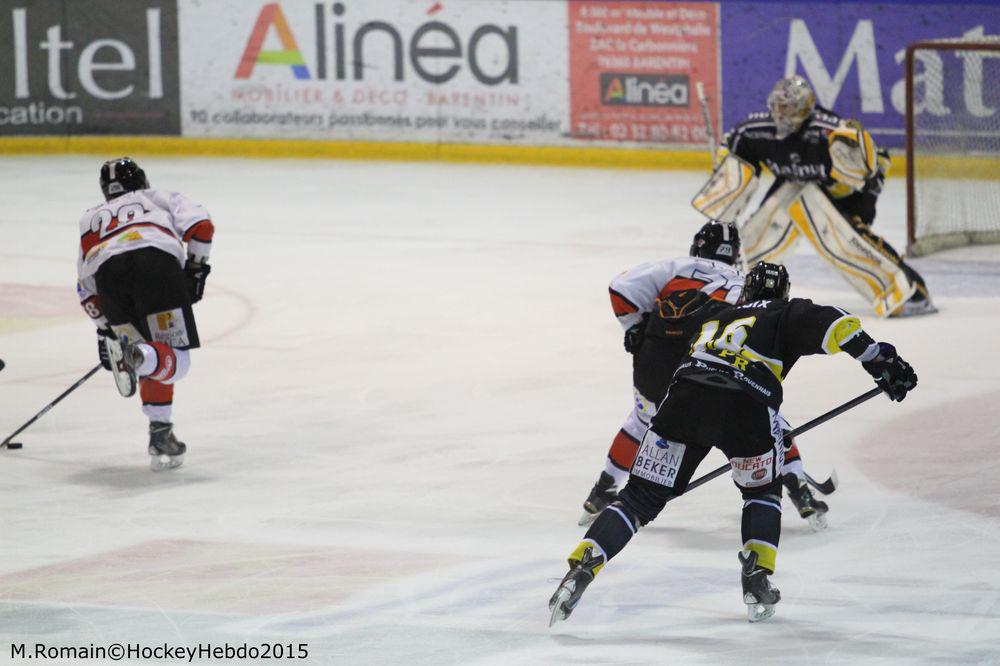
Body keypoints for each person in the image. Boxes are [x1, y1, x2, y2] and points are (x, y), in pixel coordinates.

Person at [549, 262, 917, 626]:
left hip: (683, 400)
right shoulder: (785, 311)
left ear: (746, 292)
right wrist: (881, 361)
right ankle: (756, 579)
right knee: (761, 492)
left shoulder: (715, 315)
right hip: (746, 406)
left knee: (637, 499)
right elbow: (839, 325)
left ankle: (582, 567)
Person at [580, 223, 831, 531]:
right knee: (769, 422)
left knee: (643, 418)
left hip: (656, 356)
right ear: (735, 253)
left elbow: (621, 288)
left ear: (698, 245)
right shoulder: (744, 281)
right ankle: (800, 491)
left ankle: (602, 491)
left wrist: (635, 327)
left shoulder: (677, 266)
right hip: (707, 356)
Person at [694, 75, 934, 318]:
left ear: (804, 108)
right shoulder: (758, 131)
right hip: (793, 187)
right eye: (777, 106)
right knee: (757, 236)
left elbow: (871, 166)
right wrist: (726, 167)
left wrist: (862, 206)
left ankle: (909, 291)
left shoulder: (828, 132)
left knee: (843, 243)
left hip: (837, 196)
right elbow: (738, 146)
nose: (780, 113)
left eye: (787, 107)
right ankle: (739, 289)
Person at [76, 157, 214, 471]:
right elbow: (202, 227)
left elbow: (85, 289)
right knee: (175, 362)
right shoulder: (156, 197)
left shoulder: (89, 218)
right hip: (155, 266)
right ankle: (137, 355)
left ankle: (160, 432)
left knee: (155, 357)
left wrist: (105, 330)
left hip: (109, 280)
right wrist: (195, 270)